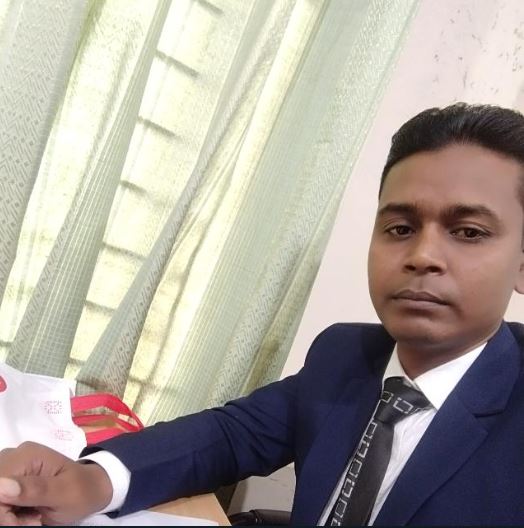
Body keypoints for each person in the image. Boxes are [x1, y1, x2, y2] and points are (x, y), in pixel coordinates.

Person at [1, 102, 524, 526]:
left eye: (469, 232)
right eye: (400, 229)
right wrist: (90, 481)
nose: (423, 255)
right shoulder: (346, 354)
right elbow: (232, 435)